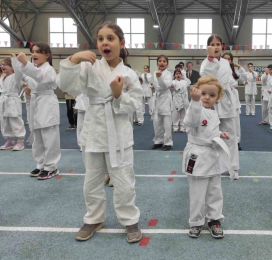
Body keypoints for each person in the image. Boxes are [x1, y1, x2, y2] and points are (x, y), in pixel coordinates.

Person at [57, 21, 143, 243]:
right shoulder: (88, 67)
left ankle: (129, 219)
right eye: (101, 38)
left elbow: (135, 104)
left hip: (119, 134)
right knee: (92, 180)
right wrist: (73, 60)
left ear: (121, 43)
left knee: (124, 180)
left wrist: (117, 95)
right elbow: (66, 85)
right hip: (94, 128)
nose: (105, 42)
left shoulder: (129, 74)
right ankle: (94, 218)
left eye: (111, 38)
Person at [183, 76, 231, 239]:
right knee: (197, 192)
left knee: (214, 190)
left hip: (212, 155)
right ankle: (196, 221)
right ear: (197, 93)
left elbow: (208, 131)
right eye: (203, 93)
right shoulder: (194, 108)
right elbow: (192, 123)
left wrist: (219, 134)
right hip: (197, 155)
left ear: (218, 98)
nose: (207, 98)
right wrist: (194, 101)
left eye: (212, 95)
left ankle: (214, 219)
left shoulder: (213, 112)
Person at [13, 43, 61, 180]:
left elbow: (39, 77)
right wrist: (15, 64)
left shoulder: (49, 69)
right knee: (37, 136)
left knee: (49, 136)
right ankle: (40, 164)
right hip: (35, 102)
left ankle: (51, 167)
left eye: (38, 52)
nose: (34, 54)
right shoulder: (33, 69)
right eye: (33, 52)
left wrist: (24, 62)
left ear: (47, 55)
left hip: (47, 103)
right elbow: (23, 78)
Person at [200, 34, 239, 179]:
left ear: (222, 46)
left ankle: (232, 166)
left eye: (218, 44)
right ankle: (213, 164)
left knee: (231, 135)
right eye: (213, 44)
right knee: (211, 134)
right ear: (208, 47)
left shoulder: (225, 62)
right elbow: (206, 79)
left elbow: (229, 81)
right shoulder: (205, 63)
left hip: (226, 101)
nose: (216, 47)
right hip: (212, 101)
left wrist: (231, 95)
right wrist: (211, 60)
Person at [0, 57, 26, 151]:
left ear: (12, 67)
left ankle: (20, 141)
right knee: (5, 122)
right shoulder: (2, 77)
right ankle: (10, 140)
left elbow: (19, 70)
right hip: (3, 100)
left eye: (5, 64)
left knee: (15, 120)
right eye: (1, 64)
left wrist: (14, 59)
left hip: (13, 100)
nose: (2, 66)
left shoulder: (16, 76)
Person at [152, 55, 173, 151]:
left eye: (164, 61)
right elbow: (156, 86)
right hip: (157, 99)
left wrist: (160, 78)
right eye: (160, 61)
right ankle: (158, 141)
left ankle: (168, 142)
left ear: (167, 64)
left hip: (165, 99)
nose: (162, 62)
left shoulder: (168, 74)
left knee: (167, 123)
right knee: (157, 122)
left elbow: (165, 86)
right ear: (157, 63)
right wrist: (158, 84)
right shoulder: (154, 73)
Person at [172, 68, 190, 132]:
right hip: (177, 99)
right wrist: (173, 86)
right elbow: (173, 86)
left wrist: (184, 76)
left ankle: (182, 127)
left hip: (184, 99)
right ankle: (175, 127)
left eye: (179, 74)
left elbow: (189, 82)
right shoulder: (173, 81)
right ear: (174, 75)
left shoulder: (184, 82)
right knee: (176, 114)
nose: (178, 75)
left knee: (183, 113)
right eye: (176, 74)